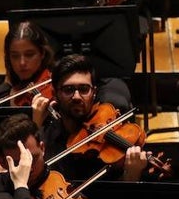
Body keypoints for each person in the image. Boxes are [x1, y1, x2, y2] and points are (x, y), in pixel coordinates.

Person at [33, 54, 146, 182]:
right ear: (55, 94)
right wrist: (35, 125)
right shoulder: (47, 137)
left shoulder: (107, 146)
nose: (76, 96)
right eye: (68, 89)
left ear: (94, 93)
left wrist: (131, 176)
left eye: (84, 89)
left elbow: (115, 193)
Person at [0, 21, 55, 109]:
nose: (22, 62)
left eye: (29, 55)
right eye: (15, 56)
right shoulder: (8, 91)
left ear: (42, 53)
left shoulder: (54, 87)